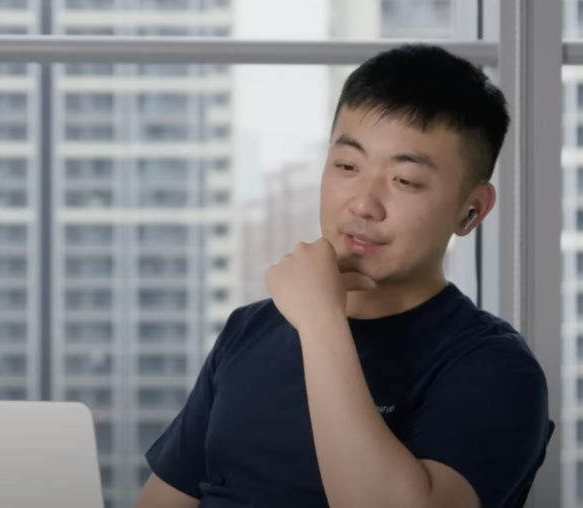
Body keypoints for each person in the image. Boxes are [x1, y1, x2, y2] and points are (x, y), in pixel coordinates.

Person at [134, 44, 550, 508]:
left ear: (471, 209)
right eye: (347, 167)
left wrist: (320, 323)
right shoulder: (250, 329)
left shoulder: (495, 367)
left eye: (405, 181)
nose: (363, 205)